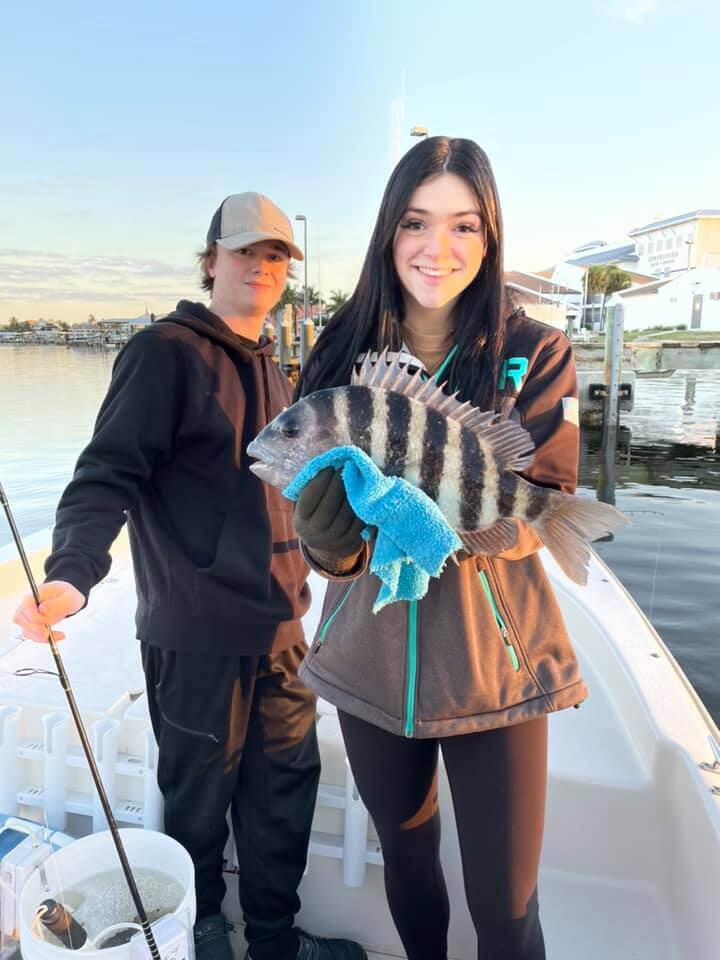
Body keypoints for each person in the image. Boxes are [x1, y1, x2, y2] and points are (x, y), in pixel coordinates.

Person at [12, 193, 366, 960]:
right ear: (210, 261)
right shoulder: (163, 352)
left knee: (283, 799)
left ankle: (273, 941)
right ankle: (200, 935)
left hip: (283, 627)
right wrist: (72, 573)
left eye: (275, 256)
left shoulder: (278, 370)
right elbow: (106, 475)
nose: (261, 267)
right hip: (196, 633)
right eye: (245, 252)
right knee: (200, 807)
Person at [291, 138, 585, 960]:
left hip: (495, 663)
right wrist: (328, 545)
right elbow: (323, 530)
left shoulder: (536, 350)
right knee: (409, 862)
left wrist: (498, 517)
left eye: (464, 226)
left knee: (506, 908)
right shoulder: (335, 349)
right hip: (368, 661)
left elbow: (541, 505)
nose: (438, 248)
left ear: (490, 240)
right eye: (418, 222)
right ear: (390, 231)